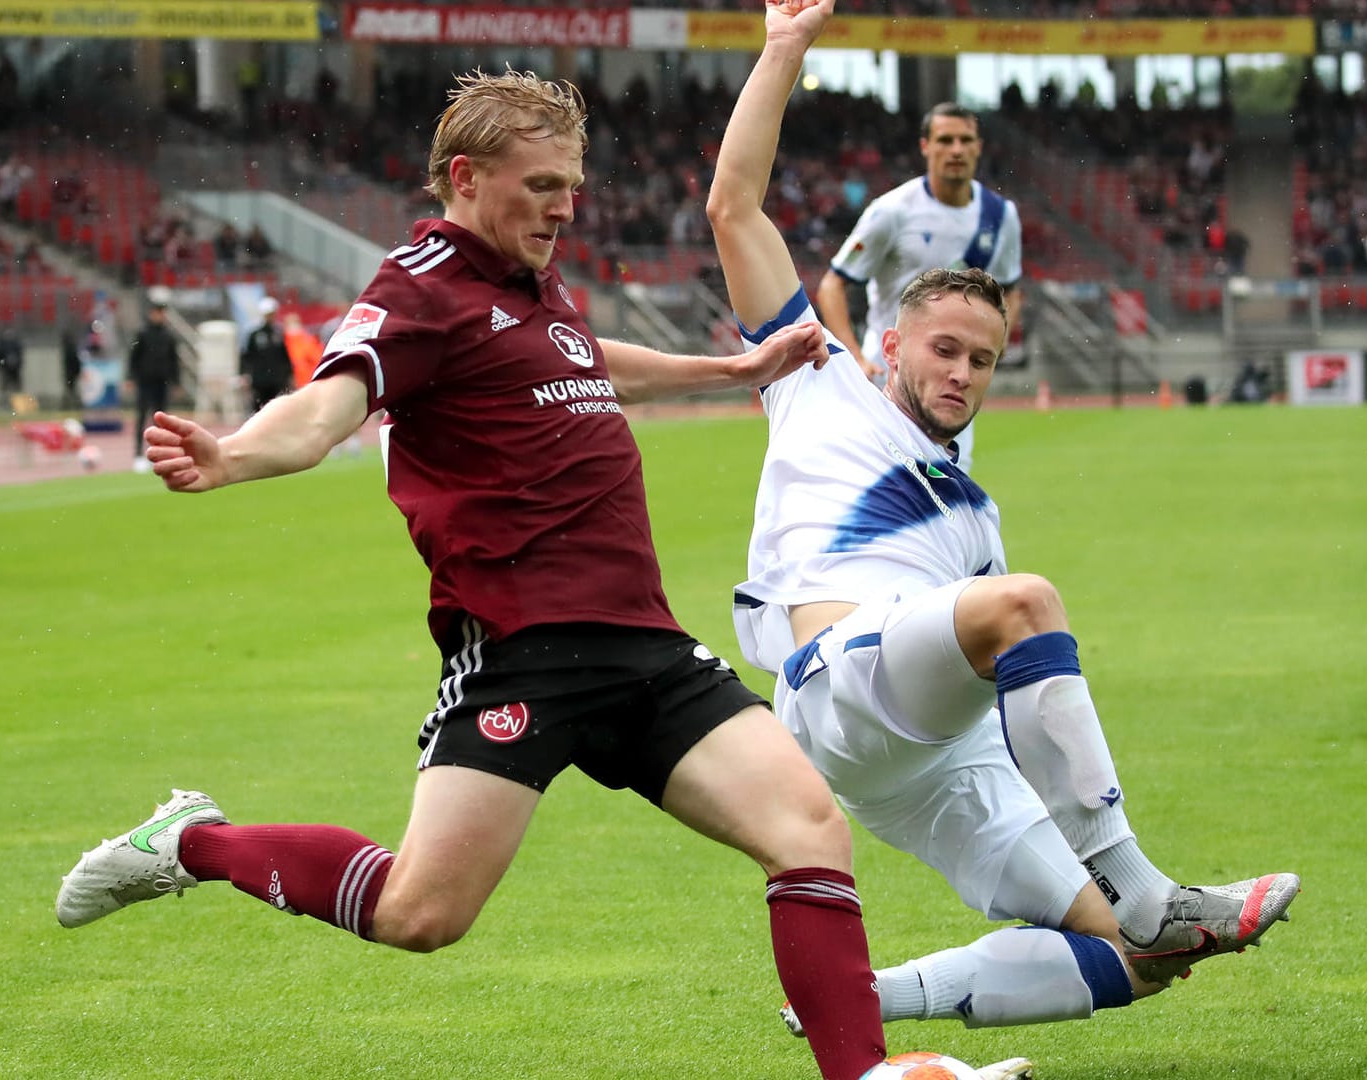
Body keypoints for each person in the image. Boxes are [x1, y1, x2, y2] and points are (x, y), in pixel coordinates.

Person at [56, 68, 890, 1080]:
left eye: (571, 184)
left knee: (807, 828)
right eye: (541, 185)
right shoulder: (417, 292)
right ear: (465, 176)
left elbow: (587, 355)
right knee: (420, 913)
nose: (564, 206)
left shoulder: (533, 283)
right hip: (522, 652)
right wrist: (232, 454)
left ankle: (868, 1077)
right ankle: (193, 843)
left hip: (643, 644)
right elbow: (327, 407)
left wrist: (731, 373)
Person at [706, 0, 1298, 1036]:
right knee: (1022, 606)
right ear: (891, 345)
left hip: (935, 757)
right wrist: (784, 48)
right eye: (942, 350)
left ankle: (866, 997)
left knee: (1132, 956)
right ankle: (1152, 885)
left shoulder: (975, 512)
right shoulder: (818, 381)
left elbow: (1010, 698)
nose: (962, 373)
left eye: (981, 360)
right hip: (838, 684)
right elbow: (733, 208)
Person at [814, 98, 1022, 474]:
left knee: (947, 487)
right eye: (945, 140)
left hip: (954, 379)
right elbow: (833, 285)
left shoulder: (1000, 217)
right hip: (889, 373)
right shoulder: (891, 212)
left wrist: (989, 351)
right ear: (925, 146)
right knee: (882, 483)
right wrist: (853, 359)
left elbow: (1011, 289)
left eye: (964, 140)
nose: (956, 150)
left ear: (978, 147)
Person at [123, 289, 183, 473]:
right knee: (142, 417)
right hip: (145, 381)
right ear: (152, 313)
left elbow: (174, 360)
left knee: (161, 420)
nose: (161, 315)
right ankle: (138, 455)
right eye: (158, 312)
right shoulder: (143, 334)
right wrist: (130, 378)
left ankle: (159, 454)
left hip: (162, 382)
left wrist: (176, 381)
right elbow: (133, 357)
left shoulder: (168, 336)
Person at [238, 296, 292, 413]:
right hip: (259, 379)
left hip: (276, 379)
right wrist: (243, 374)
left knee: (276, 409)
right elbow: (245, 355)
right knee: (258, 408)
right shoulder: (253, 333)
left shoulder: (278, 332)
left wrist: (289, 374)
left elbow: (285, 356)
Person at [0, 324, 24, 395]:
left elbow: (20, 354)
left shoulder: (15, 343)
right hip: (5, 366)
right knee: (6, 379)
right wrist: (2, 362)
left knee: (16, 380)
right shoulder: (1, 344)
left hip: (15, 366)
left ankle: (17, 393)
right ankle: (5, 393)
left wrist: (15, 361)